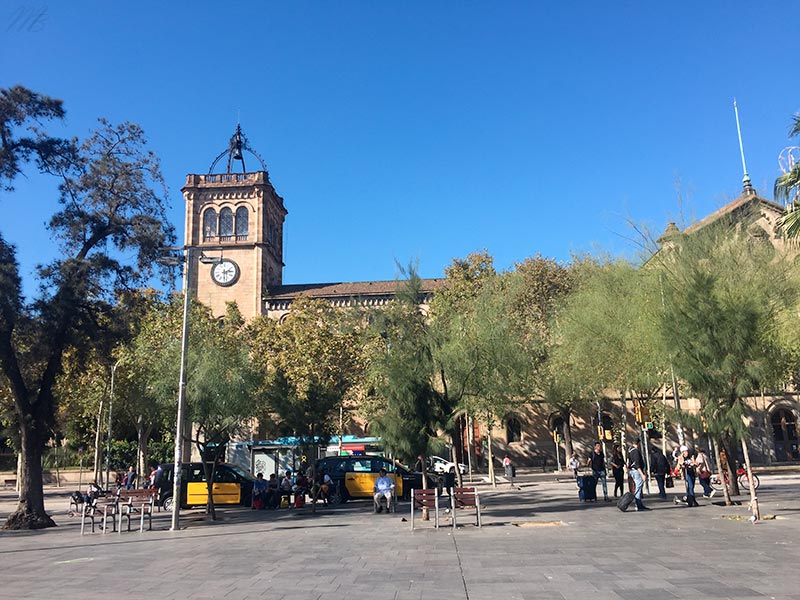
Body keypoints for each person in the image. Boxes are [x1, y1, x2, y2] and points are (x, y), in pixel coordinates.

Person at [627, 438, 649, 511]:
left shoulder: (630, 450)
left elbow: (628, 462)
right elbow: (637, 464)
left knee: (637, 487)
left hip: (632, 471)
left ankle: (639, 504)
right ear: (638, 443)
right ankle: (638, 504)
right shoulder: (636, 452)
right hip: (637, 471)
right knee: (638, 488)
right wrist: (642, 474)